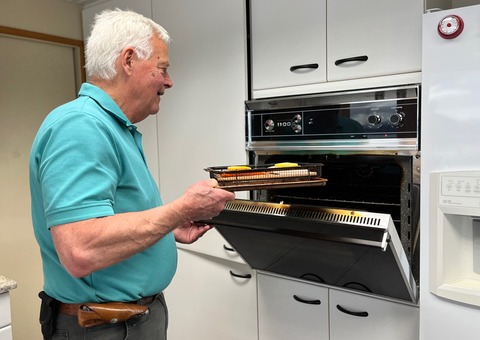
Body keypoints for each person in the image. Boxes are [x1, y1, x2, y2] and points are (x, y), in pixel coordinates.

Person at [29, 8, 235, 340]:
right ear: (128, 61)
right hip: (105, 328)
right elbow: (81, 249)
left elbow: (111, 218)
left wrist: (168, 225)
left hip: (129, 320)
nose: (168, 81)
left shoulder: (114, 128)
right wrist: (180, 209)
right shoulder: (81, 126)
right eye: (162, 69)